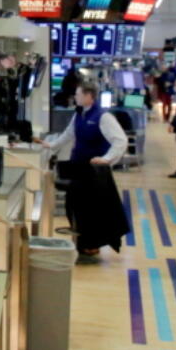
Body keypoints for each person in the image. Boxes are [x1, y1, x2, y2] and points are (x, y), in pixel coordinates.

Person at [44, 81, 130, 263]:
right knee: (73, 206)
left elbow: (120, 140)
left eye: (78, 94)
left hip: (93, 172)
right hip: (77, 167)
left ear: (89, 96)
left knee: (90, 210)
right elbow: (68, 135)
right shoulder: (79, 115)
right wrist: (50, 146)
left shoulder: (103, 117)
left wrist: (107, 159)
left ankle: (90, 245)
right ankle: (81, 242)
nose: (75, 97)